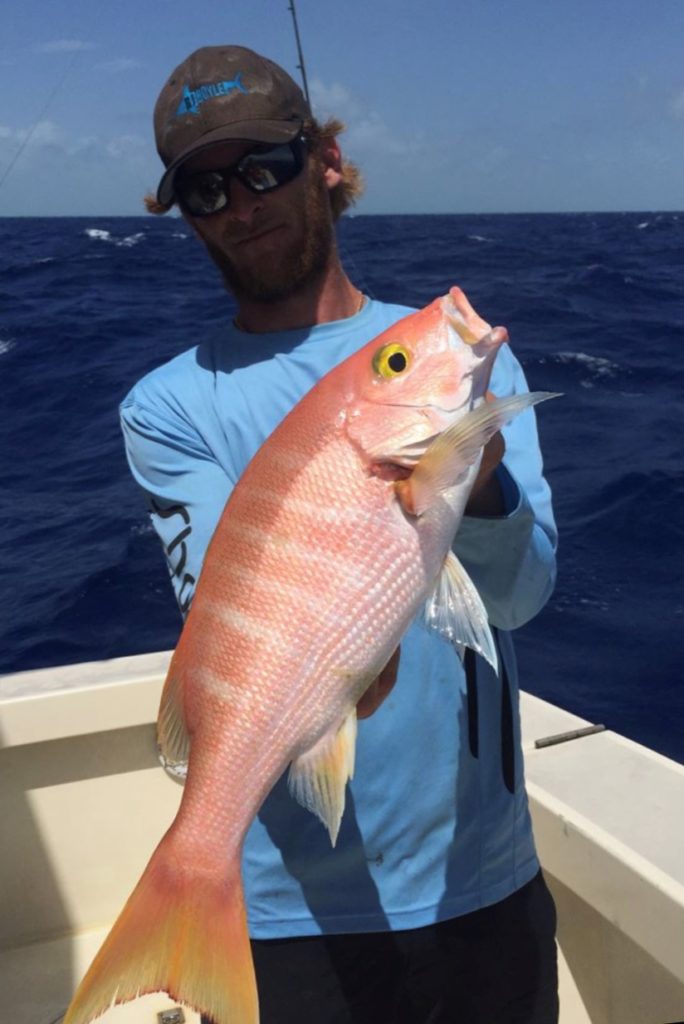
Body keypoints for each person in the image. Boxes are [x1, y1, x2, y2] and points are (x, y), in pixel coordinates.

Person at [121, 44, 559, 1024]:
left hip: (481, 877)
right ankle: (187, 886)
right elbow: (245, 630)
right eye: (205, 188)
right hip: (289, 914)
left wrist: (474, 491)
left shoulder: (462, 366)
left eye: (264, 169)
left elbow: (523, 595)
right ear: (182, 215)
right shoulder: (168, 407)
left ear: (323, 159)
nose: (241, 205)